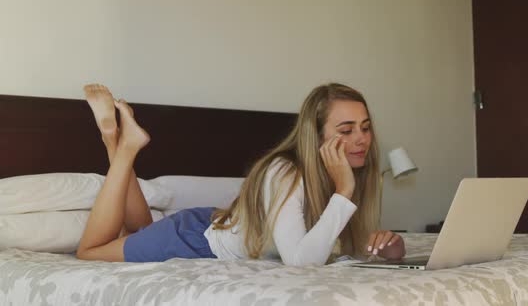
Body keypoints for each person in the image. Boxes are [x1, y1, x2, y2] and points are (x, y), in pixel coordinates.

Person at [76, 83, 405, 265]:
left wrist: (390, 247)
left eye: (365, 127)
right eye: (346, 130)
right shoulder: (285, 172)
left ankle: (113, 140)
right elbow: (302, 262)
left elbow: (338, 243)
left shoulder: (346, 171)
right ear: (314, 135)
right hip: (193, 242)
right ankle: (126, 148)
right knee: (90, 252)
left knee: (141, 229)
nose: (361, 139)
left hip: (206, 224)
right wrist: (343, 192)